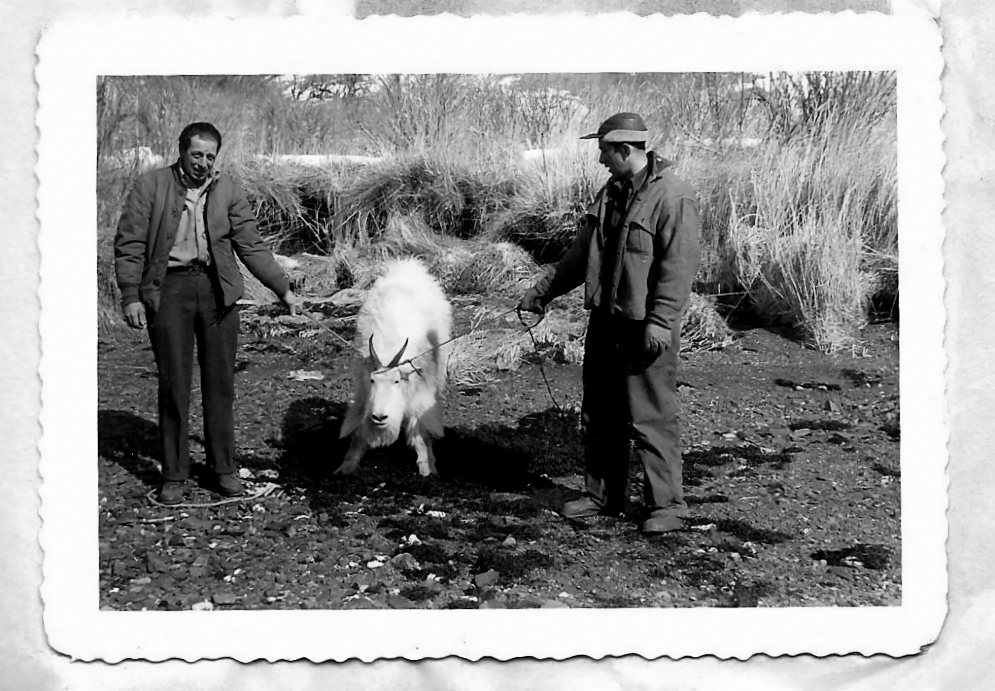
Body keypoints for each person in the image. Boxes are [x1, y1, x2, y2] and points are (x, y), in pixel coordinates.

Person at [518, 112, 701, 534]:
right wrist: (542, 292)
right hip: (606, 324)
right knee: (599, 413)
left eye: (603, 151)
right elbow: (580, 256)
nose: (600, 160)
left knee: (652, 416)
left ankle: (667, 507)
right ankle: (603, 496)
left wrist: (661, 321)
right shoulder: (610, 194)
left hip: (646, 328)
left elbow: (678, 269)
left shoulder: (674, 197)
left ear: (624, 150)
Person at [115, 122, 301, 505]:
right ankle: (174, 474)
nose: (202, 163)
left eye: (210, 156)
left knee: (220, 386)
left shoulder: (227, 189)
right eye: (196, 154)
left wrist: (282, 289)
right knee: (174, 386)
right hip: (168, 291)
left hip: (218, 293)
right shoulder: (150, 186)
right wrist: (131, 295)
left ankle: (223, 468)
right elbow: (129, 243)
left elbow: (251, 245)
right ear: (181, 151)